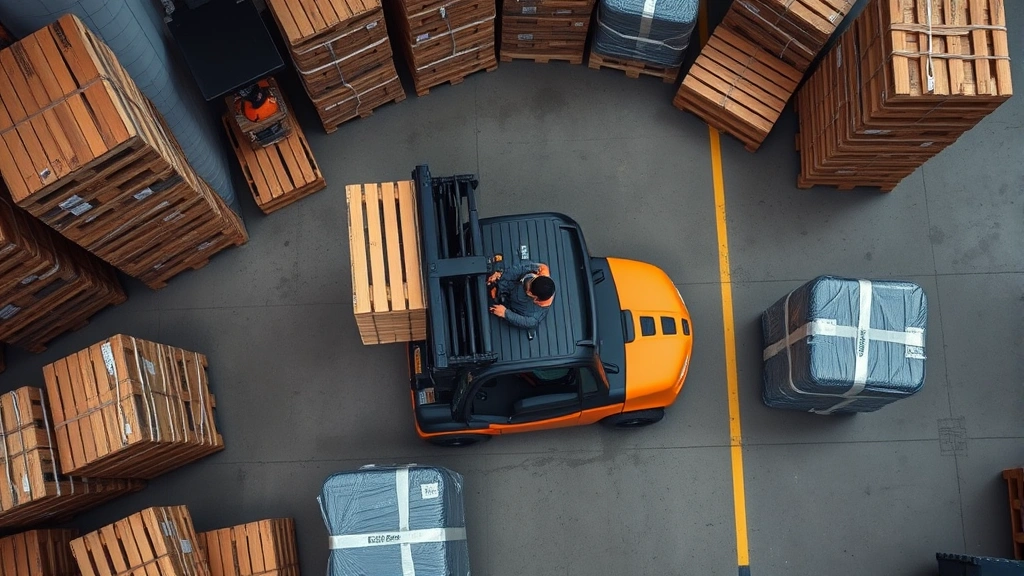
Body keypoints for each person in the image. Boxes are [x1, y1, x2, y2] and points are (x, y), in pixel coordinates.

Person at [487, 260, 556, 329]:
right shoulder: (540, 269)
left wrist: (505, 313)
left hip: (510, 301)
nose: (525, 283)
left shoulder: (533, 317)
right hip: (510, 284)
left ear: (536, 299)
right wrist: (501, 276)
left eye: (527, 290)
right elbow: (520, 268)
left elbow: (522, 321)